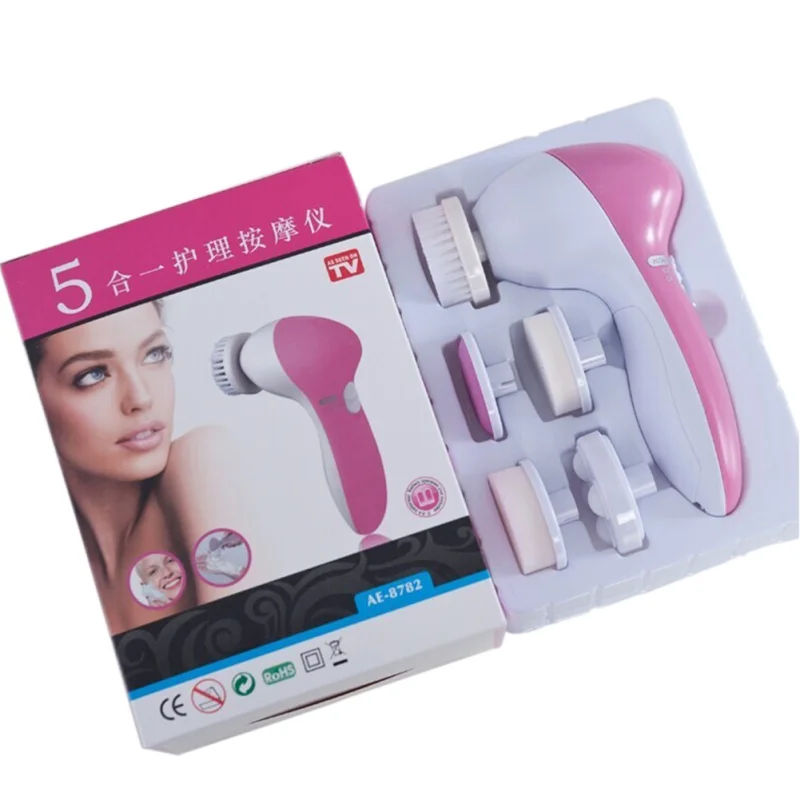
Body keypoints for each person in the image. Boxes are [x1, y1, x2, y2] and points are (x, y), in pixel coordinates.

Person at [26, 300, 254, 634]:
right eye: (93, 375)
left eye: (154, 354)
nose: (141, 397)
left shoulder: (200, 463)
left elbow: (253, 641)